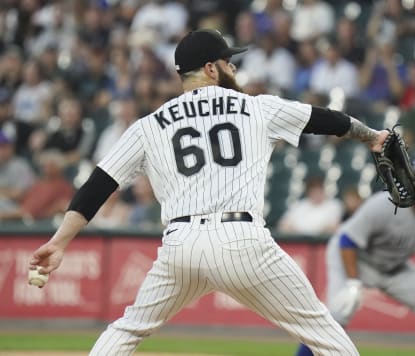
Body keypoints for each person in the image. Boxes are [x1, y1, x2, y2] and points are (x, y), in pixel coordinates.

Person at [28, 29, 389, 355]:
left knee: (128, 329)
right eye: (228, 61)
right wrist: (372, 136)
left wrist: (59, 242)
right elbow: (324, 119)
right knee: (323, 332)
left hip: (180, 246)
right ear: (211, 69)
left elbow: (98, 184)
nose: (233, 67)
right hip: (241, 241)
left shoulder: (149, 125)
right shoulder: (255, 106)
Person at [296, 153, 415, 356]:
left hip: (394, 266)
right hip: (355, 259)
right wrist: (353, 284)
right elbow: (347, 241)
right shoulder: (386, 203)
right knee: (338, 312)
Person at [277, 175, 343, 236]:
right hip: (299, 244)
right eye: (313, 190)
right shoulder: (299, 205)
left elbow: (333, 227)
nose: (316, 193)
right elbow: (283, 226)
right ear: (309, 192)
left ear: (323, 190)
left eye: (319, 189)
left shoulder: (334, 205)